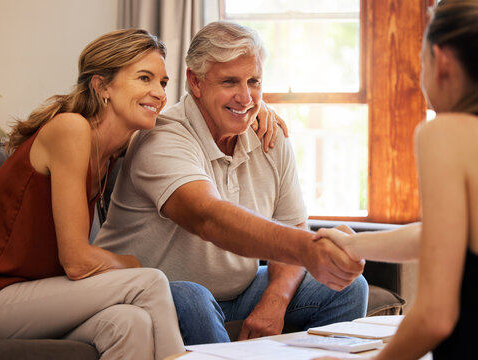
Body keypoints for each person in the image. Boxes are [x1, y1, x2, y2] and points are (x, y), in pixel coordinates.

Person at [94, 21, 368, 345]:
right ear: (195, 82)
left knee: (347, 286)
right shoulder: (163, 136)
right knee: (191, 299)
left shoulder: (270, 134)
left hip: (241, 290)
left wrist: (276, 298)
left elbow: (292, 222)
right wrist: (308, 248)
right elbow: (208, 217)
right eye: (230, 82)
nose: (246, 97)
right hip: (160, 289)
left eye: (254, 81)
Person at [0, 29, 186, 360]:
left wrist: (254, 112)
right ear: (101, 86)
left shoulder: (114, 150)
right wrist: (131, 263)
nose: (159, 93)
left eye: (162, 82)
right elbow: (76, 262)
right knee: (148, 282)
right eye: (144, 78)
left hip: (35, 297)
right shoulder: (71, 129)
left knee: (128, 322)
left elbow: (190, 123)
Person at [314, 0, 478, 359]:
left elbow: (435, 317)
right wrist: (355, 246)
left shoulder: (446, 133)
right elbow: (441, 234)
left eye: (422, 63)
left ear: (443, 62)